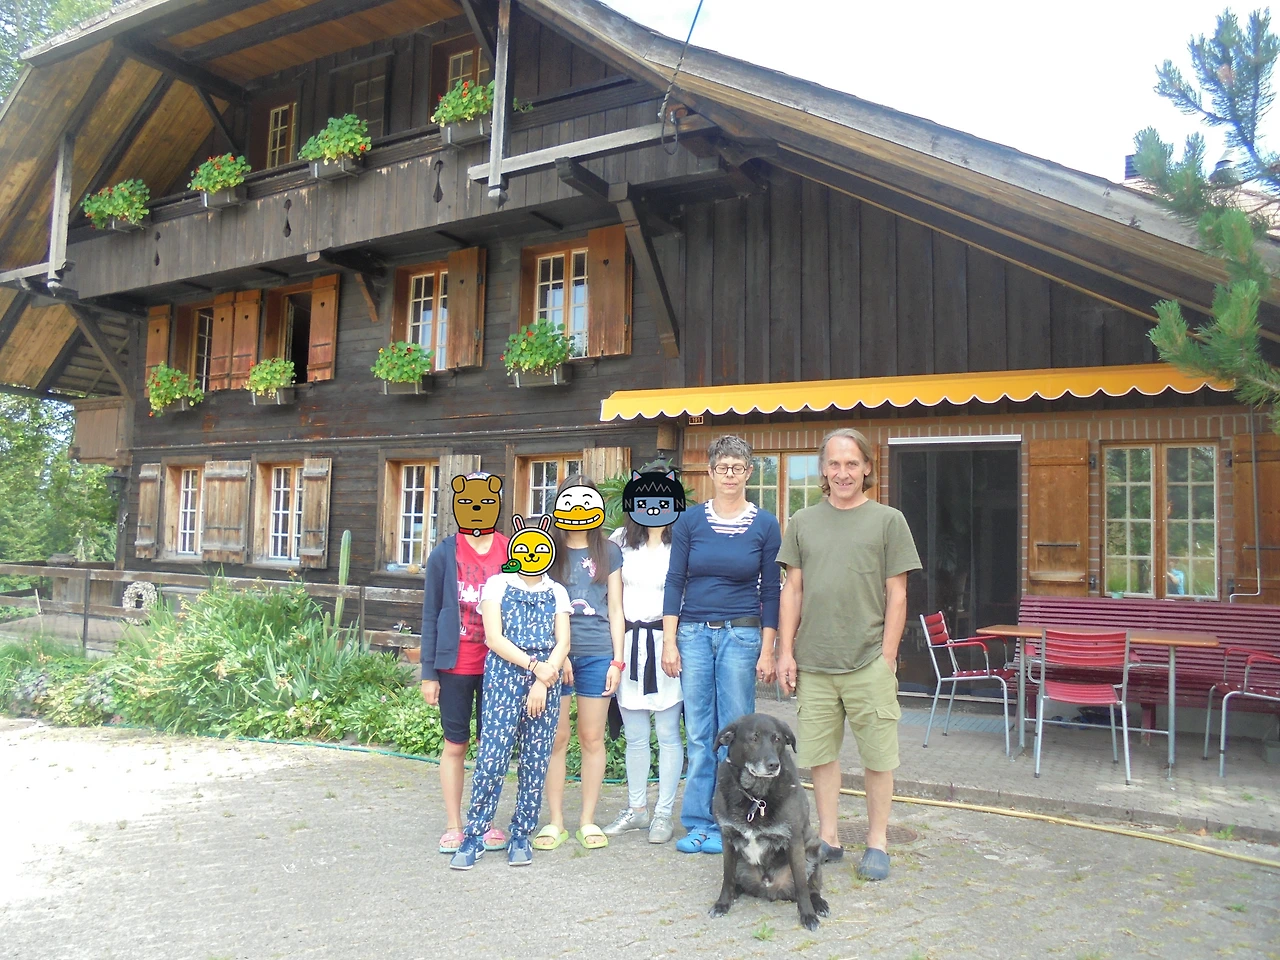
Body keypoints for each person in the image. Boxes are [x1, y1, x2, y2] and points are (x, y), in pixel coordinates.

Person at [775, 428, 922, 882]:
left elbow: (897, 594)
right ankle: (830, 838)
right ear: (823, 469)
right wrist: (786, 651)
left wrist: (888, 655)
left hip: (868, 662)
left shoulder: (888, 520)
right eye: (835, 464)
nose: (843, 473)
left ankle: (877, 843)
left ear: (867, 468)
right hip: (814, 663)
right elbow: (792, 590)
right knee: (821, 758)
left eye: (852, 463)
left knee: (879, 758)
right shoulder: (802, 522)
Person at [662, 435, 781, 855]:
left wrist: (768, 648)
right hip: (693, 634)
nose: (730, 474)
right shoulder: (689, 522)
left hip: (741, 634)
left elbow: (771, 591)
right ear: (710, 472)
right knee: (699, 734)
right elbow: (675, 581)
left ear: (749, 472)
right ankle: (698, 822)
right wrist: (670, 641)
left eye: (738, 467)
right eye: (722, 467)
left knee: (738, 735)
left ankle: (735, 820)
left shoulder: (766, 524)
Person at [449, 514, 571, 869]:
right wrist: (534, 668)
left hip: (545, 682)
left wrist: (541, 680)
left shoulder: (557, 591)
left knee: (535, 760)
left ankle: (522, 834)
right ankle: (474, 835)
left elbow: (562, 640)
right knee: (492, 758)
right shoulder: (497, 585)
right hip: (505, 676)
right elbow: (494, 638)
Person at [419, 472, 510, 855]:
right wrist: (428, 672)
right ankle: (455, 825)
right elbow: (429, 612)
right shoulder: (444, 553)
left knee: (492, 747)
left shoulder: (511, 549)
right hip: (455, 664)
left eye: (485, 502)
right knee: (455, 745)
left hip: (501, 666)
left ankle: (483, 820)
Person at [537, 475, 626, 852]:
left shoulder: (610, 552)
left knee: (592, 738)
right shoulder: (545, 549)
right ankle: (555, 821)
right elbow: (540, 605)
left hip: (598, 653)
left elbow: (617, 609)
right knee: (556, 739)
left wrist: (618, 661)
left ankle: (587, 820)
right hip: (555, 655)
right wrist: (557, 655)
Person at [601, 464, 686, 844]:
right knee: (635, 735)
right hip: (629, 644)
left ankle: (664, 813)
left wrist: (673, 643)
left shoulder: (682, 540)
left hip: (668, 644)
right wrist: (616, 658)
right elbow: (613, 602)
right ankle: (637, 809)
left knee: (668, 733)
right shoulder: (619, 540)